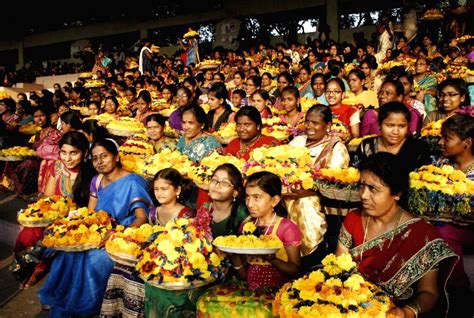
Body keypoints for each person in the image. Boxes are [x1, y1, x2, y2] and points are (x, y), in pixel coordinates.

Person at [39, 138, 153, 317]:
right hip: (99, 230)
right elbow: (90, 213)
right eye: (95, 158)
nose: (99, 162)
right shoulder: (97, 180)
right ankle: (63, 299)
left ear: (116, 157)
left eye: (104, 156)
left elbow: (141, 218)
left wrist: (115, 235)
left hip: (124, 233)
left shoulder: (133, 181)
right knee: (67, 254)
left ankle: (85, 305)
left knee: (94, 259)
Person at [336, 152, 458, 317]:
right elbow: (337, 270)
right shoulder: (353, 219)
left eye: (373, 189)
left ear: (397, 194)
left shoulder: (422, 234)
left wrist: (406, 312)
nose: (363, 195)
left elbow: (429, 293)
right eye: (361, 186)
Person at [13, 132, 94, 288]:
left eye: (73, 153)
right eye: (63, 152)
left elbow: (90, 209)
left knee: (50, 236)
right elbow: (48, 198)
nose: (67, 158)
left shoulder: (91, 174)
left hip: (76, 221)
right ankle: (28, 268)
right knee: (29, 233)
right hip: (52, 216)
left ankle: (38, 270)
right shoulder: (57, 167)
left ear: (85, 153)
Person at [287, 105, 350, 270]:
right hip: (289, 191)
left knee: (305, 203)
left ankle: (310, 255)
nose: (309, 127)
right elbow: (283, 165)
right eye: (307, 122)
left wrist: (305, 190)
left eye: (315, 123)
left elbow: (333, 182)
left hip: (320, 196)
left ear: (328, 125)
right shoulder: (298, 141)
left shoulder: (336, 148)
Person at [231, 171, 301, 290]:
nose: (249, 204)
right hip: (252, 296)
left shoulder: (286, 228)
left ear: (274, 201)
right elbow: (243, 275)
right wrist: (233, 257)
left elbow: (295, 271)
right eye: (247, 197)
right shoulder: (246, 227)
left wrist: (272, 259)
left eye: (256, 197)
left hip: (279, 295)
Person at [436, 113, 474, 302]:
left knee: (445, 232)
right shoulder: (441, 164)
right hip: (444, 223)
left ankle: (458, 286)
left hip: (467, 229)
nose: (441, 142)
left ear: (466, 142)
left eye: (447, 138)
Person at [353, 101, 431, 174]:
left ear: (408, 126)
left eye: (401, 126)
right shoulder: (367, 146)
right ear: (379, 125)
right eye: (390, 125)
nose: (395, 132)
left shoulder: (417, 149)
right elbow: (353, 175)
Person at [196, 164, 248, 237]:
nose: (217, 186)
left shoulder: (242, 214)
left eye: (225, 183)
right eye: (214, 180)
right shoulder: (205, 208)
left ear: (235, 192)